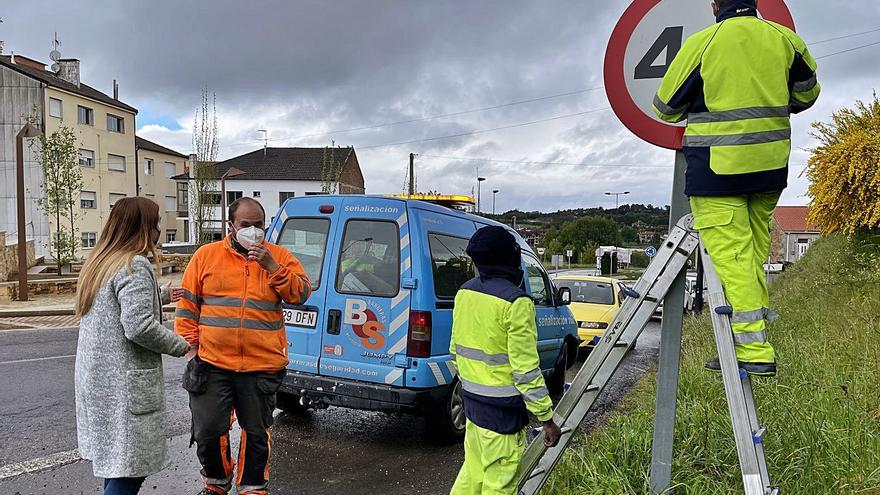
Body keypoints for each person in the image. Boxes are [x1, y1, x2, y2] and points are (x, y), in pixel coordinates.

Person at [653, 0, 820, 376]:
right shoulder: (786, 40)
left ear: (714, 4)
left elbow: (664, 107)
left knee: (732, 256)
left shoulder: (703, 43)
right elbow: (808, 93)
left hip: (717, 171)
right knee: (754, 249)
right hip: (770, 168)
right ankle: (757, 325)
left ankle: (754, 349)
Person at [176, 197, 311, 495]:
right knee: (208, 430)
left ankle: (252, 487)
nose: (253, 231)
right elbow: (187, 306)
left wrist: (273, 267)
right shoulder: (206, 256)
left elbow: (301, 293)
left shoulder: (279, 257)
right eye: (245, 225)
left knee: (256, 432)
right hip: (212, 364)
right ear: (231, 227)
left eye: (259, 225)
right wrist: (191, 350)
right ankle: (216, 482)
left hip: (261, 365)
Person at [74, 197, 190, 495]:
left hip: (98, 382)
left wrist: (161, 294)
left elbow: (115, 305)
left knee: (117, 462)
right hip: (124, 386)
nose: (158, 231)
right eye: (155, 224)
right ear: (143, 227)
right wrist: (182, 345)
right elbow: (138, 326)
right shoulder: (133, 264)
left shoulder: (101, 262)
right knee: (129, 470)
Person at [449, 226, 562, 495]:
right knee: (499, 485)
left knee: (472, 476)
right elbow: (525, 370)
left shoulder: (465, 292)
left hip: (473, 408)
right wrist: (546, 419)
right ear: (510, 258)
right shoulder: (516, 302)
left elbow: (455, 350)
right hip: (502, 417)